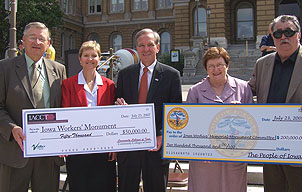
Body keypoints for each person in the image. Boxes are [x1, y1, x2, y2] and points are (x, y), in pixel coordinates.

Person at [249, 15, 302, 192]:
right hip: (272, 152)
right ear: (272, 37)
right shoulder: (262, 64)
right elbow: (246, 92)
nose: (283, 37)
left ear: (298, 34)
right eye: (278, 33)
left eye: (289, 32)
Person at [0, 22, 66, 191]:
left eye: (41, 39)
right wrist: (12, 128)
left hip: (48, 155)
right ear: (23, 40)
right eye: (32, 37)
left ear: (48, 43)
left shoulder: (58, 70)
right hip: (15, 151)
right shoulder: (4, 68)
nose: (37, 42)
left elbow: (64, 109)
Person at [115, 28, 182, 192]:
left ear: (157, 47)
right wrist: (119, 107)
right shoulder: (125, 75)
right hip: (129, 146)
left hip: (156, 146)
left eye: (150, 45)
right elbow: (116, 105)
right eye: (141, 45)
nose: (145, 49)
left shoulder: (171, 75)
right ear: (136, 48)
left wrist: (161, 134)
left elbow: (175, 112)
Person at [186, 47, 253, 192]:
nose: (216, 69)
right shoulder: (195, 91)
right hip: (205, 159)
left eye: (219, 65)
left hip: (233, 156)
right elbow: (190, 127)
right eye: (211, 66)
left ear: (227, 66)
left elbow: (252, 124)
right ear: (206, 69)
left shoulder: (243, 88)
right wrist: (200, 150)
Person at [61, 40, 117, 192]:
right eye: (86, 55)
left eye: (94, 55)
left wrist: (114, 145)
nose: (90, 59)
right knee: (80, 186)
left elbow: (113, 118)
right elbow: (65, 115)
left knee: (104, 186)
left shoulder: (109, 85)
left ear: (100, 59)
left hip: (103, 148)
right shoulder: (68, 84)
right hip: (77, 149)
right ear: (80, 59)